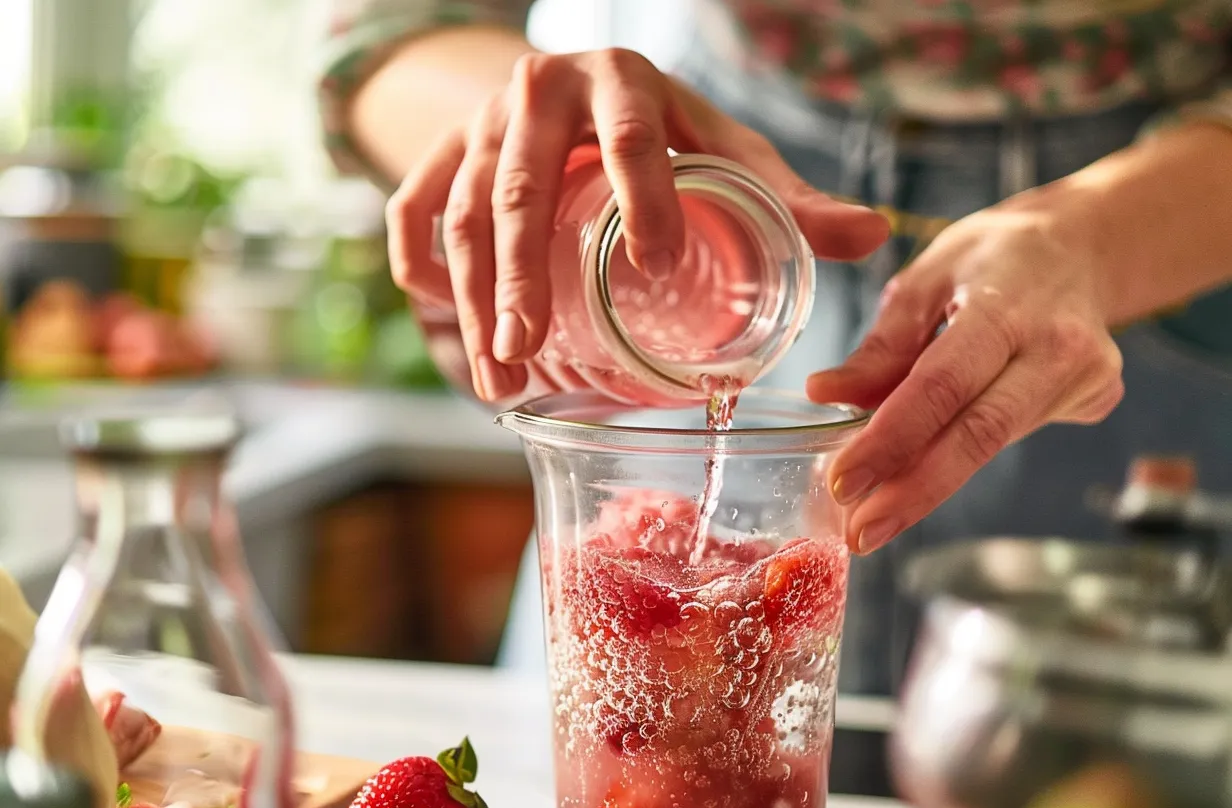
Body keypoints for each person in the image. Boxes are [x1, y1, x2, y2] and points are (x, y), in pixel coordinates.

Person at [317, 0, 1232, 695]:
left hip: (1164, 235)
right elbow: (381, 28)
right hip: (687, 216)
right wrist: (524, 138)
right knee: (625, 777)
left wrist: (1107, 241)